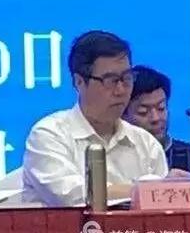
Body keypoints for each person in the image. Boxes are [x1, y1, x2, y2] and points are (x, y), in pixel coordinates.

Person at [22, 31, 180, 206]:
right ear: (79, 82)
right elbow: (73, 195)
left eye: (126, 78)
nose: (121, 90)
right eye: (110, 80)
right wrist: (148, 191)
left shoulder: (145, 143)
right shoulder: (49, 135)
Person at [123, 65, 190, 176]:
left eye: (161, 108)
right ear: (122, 115)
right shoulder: (113, 159)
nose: (156, 118)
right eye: (143, 112)